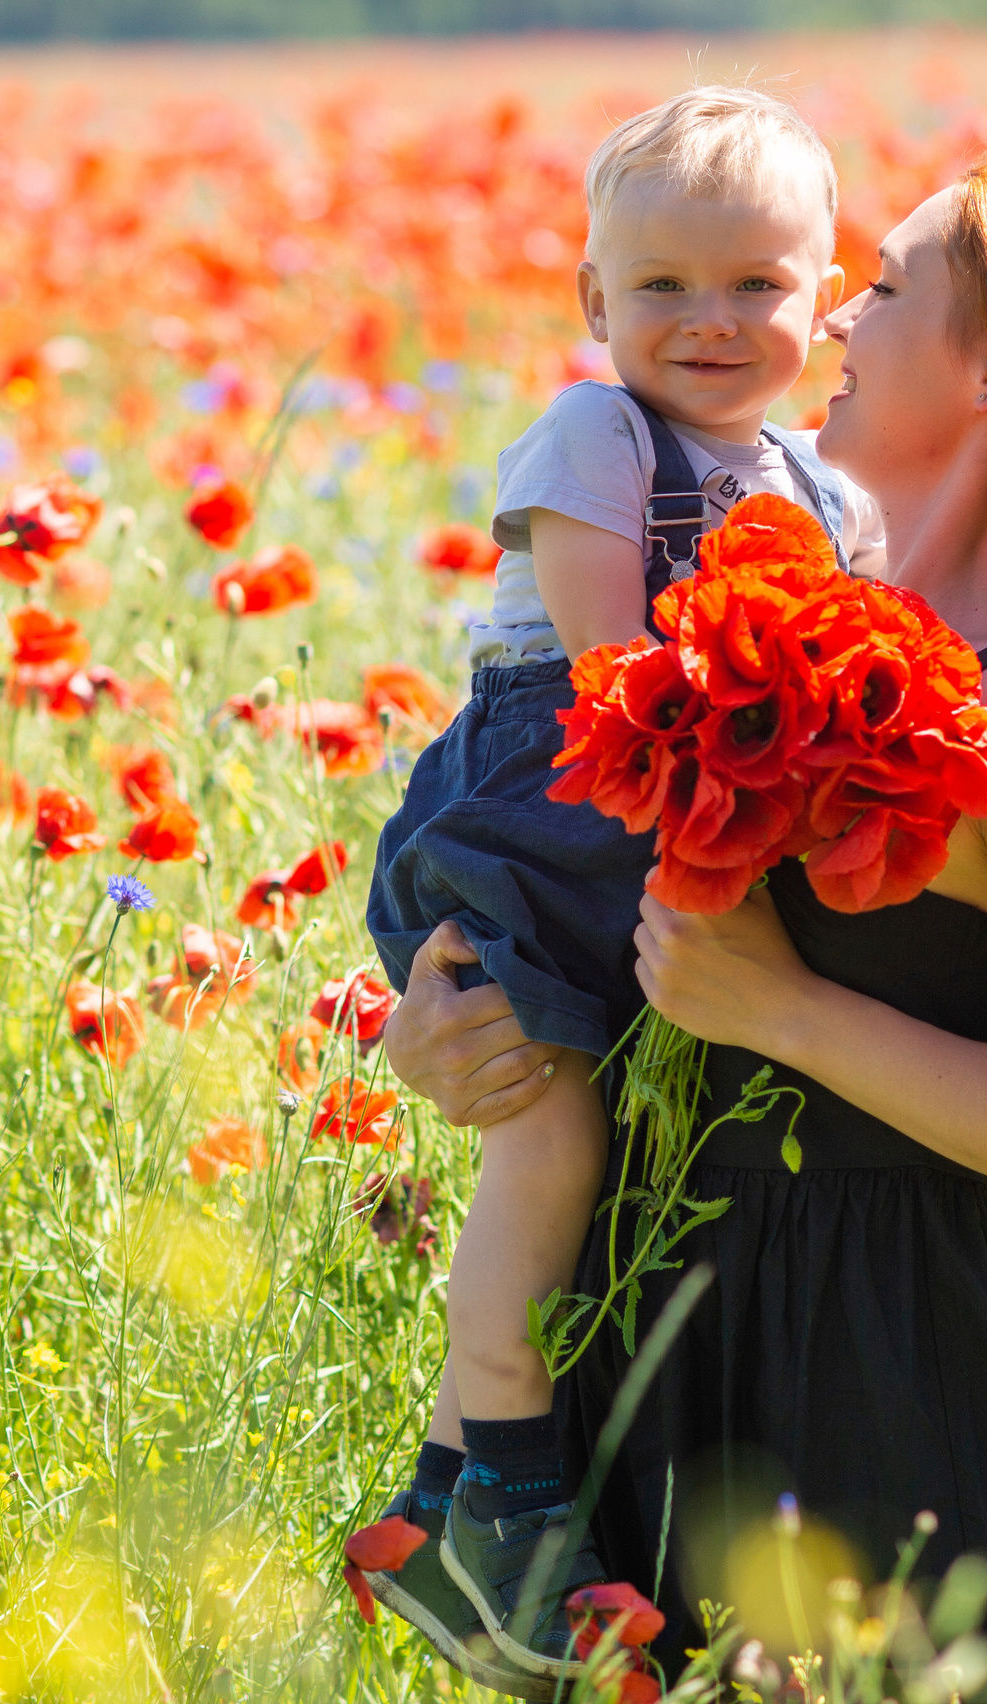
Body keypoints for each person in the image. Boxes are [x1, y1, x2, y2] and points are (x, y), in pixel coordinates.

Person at [382, 149, 987, 1685]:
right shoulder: (792, 622)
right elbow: (617, 937)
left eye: (884, 288)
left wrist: (790, 1011)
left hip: (893, 1402)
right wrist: (461, 1024)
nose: (832, 318)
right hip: (665, 1379)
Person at [356, 85, 886, 1694]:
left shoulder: (828, 489)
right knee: (550, 1130)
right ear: (595, 301)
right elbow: (614, 674)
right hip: (547, 823)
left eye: (755, 284)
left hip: (680, 830)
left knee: (625, 1159)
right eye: (662, 285)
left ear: (822, 297)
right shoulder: (600, 439)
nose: (710, 319)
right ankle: (510, 1471)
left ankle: (435, 1509)